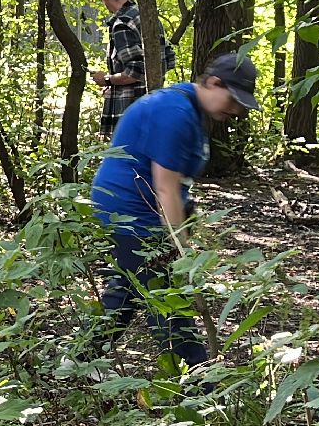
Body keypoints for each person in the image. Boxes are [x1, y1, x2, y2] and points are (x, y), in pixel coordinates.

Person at [89, 52, 259, 367]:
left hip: (139, 211)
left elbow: (178, 182)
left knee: (126, 290)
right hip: (131, 212)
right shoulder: (175, 112)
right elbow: (164, 187)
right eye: (232, 99)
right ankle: (196, 378)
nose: (235, 110)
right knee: (165, 298)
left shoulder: (187, 110)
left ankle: (80, 361)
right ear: (213, 83)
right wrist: (181, 247)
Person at [92, 0, 173, 139]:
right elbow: (167, 58)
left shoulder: (122, 24)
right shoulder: (146, 17)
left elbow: (135, 72)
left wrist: (106, 79)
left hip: (131, 114)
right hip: (151, 106)